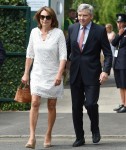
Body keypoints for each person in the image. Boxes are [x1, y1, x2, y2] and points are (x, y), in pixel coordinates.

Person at [66, 3, 112, 147]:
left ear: (91, 16)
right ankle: (79, 137)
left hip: (93, 73)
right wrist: (62, 66)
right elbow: (67, 50)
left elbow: (108, 53)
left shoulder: (99, 30)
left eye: (85, 15)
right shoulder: (72, 28)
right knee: (76, 107)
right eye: (80, 15)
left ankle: (95, 128)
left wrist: (105, 71)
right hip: (75, 74)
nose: (81, 18)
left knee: (91, 103)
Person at [21, 6, 67, 149]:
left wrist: (59, 74)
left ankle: (48, 134)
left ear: (52, 19)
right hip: (37, 73)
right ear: (39, 18)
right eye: (42, 17)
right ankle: (32, 137)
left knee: (51, 105)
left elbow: (63, 56)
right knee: (34, 102)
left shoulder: (58, 34)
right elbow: (30, 54)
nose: (45, 19)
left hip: (53, 74)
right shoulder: (34, 32)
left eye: (48, 17)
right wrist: (26, 73)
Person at [112, 14, 126, 113]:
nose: (119, 24)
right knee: (120, 84)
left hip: (124, 62)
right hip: (118, 62)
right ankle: (123, 103)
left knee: (125, 84)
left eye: (120, 22)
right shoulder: (120, 33)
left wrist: (121, 34)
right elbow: (113, 43)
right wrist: (119, 34)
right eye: (118, 22)